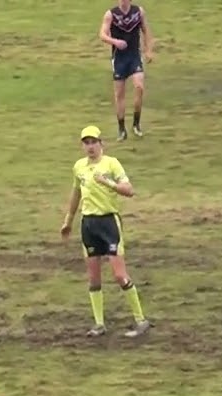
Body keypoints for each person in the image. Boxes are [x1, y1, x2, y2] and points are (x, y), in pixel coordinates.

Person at [60, 125, 152, 338]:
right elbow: (76, 194)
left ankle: (141, 320)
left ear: (102, 143)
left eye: (94, 142)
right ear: (82, 146)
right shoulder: (79, 167)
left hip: (109, 223)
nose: (90, 146)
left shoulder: (112, 164)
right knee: (93, 278)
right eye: (86, 142)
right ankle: (99, 323)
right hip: (89, 224)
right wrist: (68, 221)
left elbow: (129, 190)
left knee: (119, 275)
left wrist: (107, 182)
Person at [99, 0, 154, 141]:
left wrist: (148, 51)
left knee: (139, 87)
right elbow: (102, 34)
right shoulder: (111, 14)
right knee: (119, 94)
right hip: (119, 59)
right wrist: (115, 42)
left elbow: (146, 30)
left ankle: (136, 124)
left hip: (134, 56)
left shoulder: (138, 12)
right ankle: (122, 129)